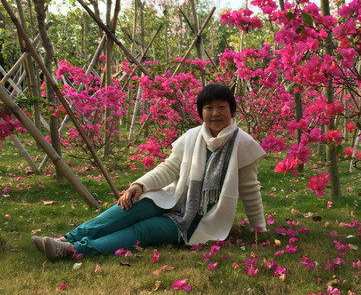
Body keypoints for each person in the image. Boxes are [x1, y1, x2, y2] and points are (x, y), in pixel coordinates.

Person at [32, 83, 266, 261]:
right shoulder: (193, 136)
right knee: (133, 205)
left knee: (144, 229)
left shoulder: (242, 145)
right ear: (201, 112)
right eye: (209, 108)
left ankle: (74, 250)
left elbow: (249, 191)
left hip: (195, 221)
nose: (215, 113)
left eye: (221, 107)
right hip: (174, 200)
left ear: (232, 110)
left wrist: (260, 230)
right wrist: (140, 185)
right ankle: (68, 237)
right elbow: (169, 168)